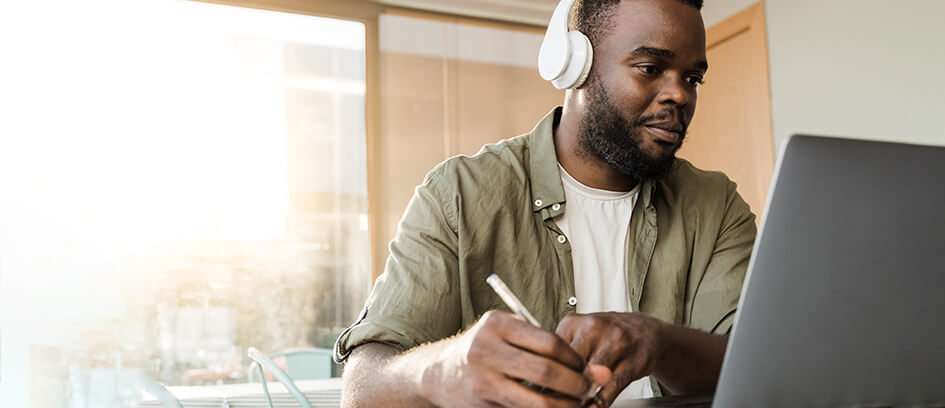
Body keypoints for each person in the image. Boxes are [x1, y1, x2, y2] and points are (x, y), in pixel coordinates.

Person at [334, 0, 757, 406]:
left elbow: (755, 366)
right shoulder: (459, 194)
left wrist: (657, 343)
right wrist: (445, 369)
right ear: (576, 65)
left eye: (692, 78)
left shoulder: (716, 205)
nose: (680, 96)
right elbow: (362, 389)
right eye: (650, 68)